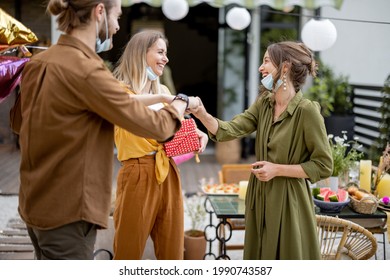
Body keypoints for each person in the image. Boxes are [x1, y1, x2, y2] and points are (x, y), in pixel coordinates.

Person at [16, 0, 200, 260]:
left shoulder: (38, 63)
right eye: (117, 17)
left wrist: (165, 99)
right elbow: (161, 127)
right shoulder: (89, 71)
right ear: (99, 12)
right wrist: (181, 101)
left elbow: (19, 125)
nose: (116, 27)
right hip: (68, 212)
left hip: (34, 203)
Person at [190, 41, 333, 260]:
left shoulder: (307, 112)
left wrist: (277, 169)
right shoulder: (264, 104)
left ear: (285, 67)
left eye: (266, 61)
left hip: (289, 201)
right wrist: (201, 113)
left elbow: (324, 166)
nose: (260, 67)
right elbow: (229, 130)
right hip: (259, 197)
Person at [112, 30, 208, 260]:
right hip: (137, 172)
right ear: (140, 53)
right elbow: (124, 104)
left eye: (166, 53)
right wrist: (164, 100)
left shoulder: (162, 90)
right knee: (128, 251)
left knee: (172, 252)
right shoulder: (120, 90)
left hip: (168, 173)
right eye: (160, 52)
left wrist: (198, 133)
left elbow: (179, 125)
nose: (166, 59)